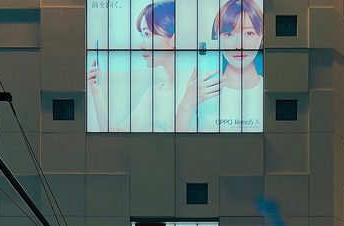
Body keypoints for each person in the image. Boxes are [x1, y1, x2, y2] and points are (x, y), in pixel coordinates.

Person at [88, 1, 177, 132]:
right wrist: (96, 91)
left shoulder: (193, 91)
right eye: (142, 35)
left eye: (147, 34)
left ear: (173, 39)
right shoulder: (153, 93)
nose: (140, 45)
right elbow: (117, 136)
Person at [176, 0, 264, 133]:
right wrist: (185, 106)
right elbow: (179, 147)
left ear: (262, 37)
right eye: (229, 34)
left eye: (249, 33)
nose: (239, 45)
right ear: (217, 38)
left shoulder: (269, 90)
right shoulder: (199, 90)